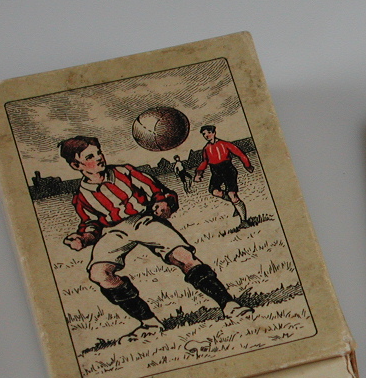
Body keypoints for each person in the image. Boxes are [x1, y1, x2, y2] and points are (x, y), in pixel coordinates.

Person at [59, 136, 251, 342]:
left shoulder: (124, 172)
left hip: (144, 219)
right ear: (76, 165)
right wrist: (82, 239)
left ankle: (229, 304)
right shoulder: (82, 196)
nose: (99, 158)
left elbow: (157, 191)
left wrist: (164, 204)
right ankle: (149, 323)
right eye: (90, 157)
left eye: (98, 153)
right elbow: (91, 225)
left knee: (182, 256)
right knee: (98, 273)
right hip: (115, 231)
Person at [194, 125, 253, 227]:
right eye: (204, 134)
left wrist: (247, 165)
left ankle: (244, 221)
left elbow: (240, 153)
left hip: (228, 171)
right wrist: (198, 174)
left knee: (232, 194)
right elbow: (204, 162)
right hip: (216, 172)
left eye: (209, 132)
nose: (207, 135)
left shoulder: (224, 144)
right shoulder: (206, 149)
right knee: (214, 191)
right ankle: (235, 203)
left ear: (214, 133)